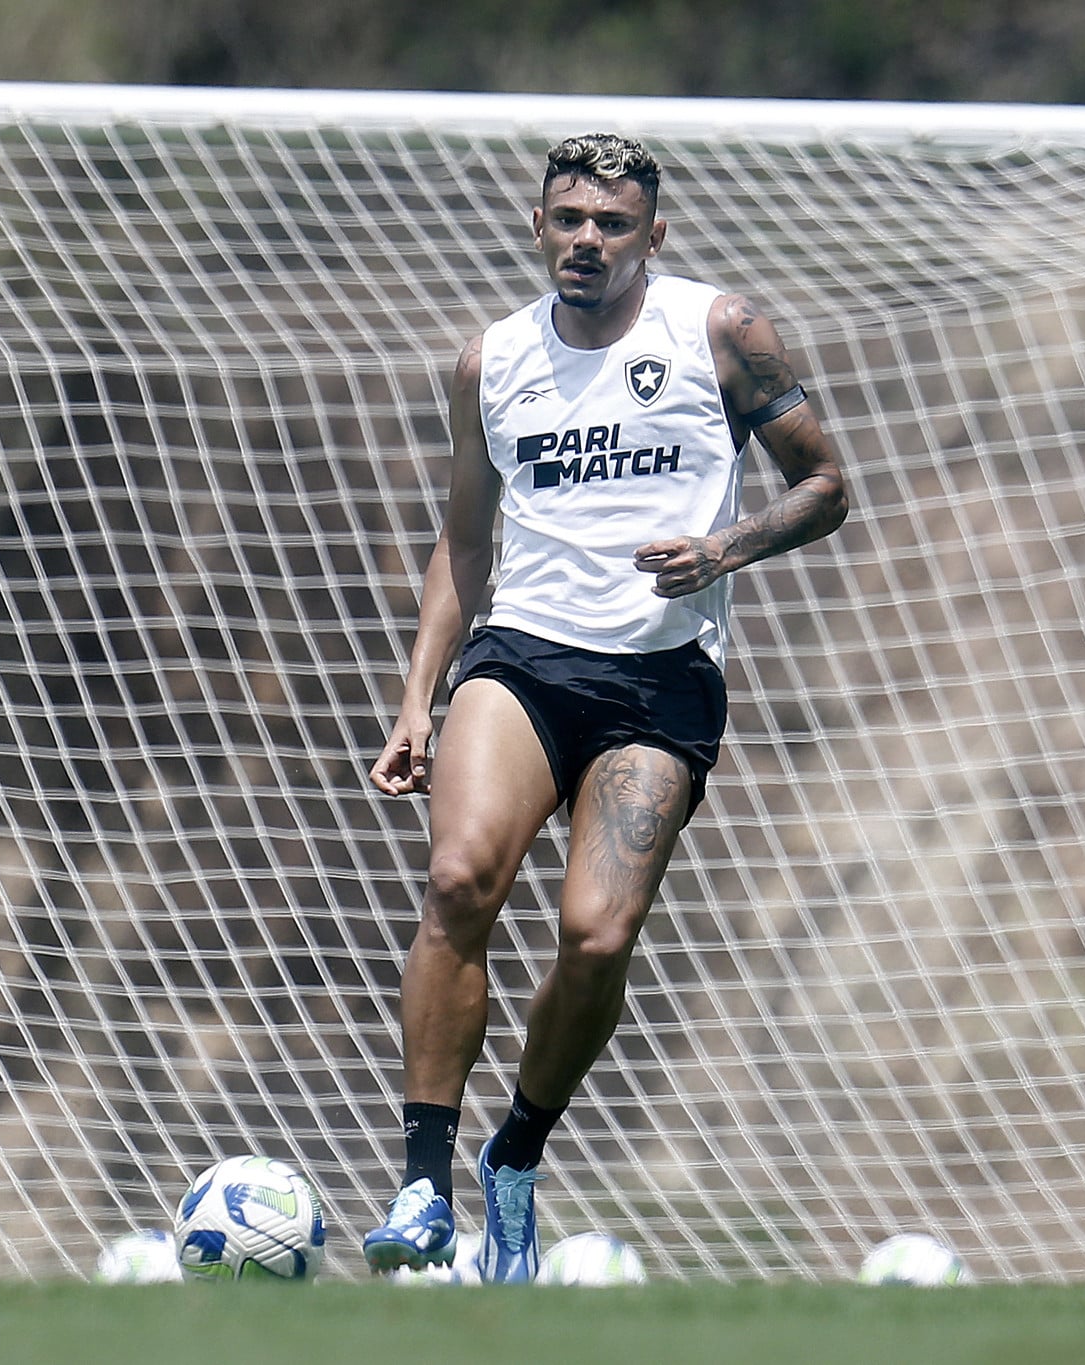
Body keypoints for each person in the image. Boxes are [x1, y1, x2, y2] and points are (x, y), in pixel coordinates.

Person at [360, 132, 849, 1283]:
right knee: (456, 877)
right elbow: (465, 539)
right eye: (567, 219)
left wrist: (721, 546)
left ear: (652, 237)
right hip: (520, 662)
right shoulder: (493, 361)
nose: (586, 240)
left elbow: (826, 485)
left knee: (596, 934)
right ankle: (421, 1185)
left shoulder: (717, 334)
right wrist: (414, 701)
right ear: (538, 227)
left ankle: (513, 1157)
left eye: (611, 224)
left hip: (657, 682)